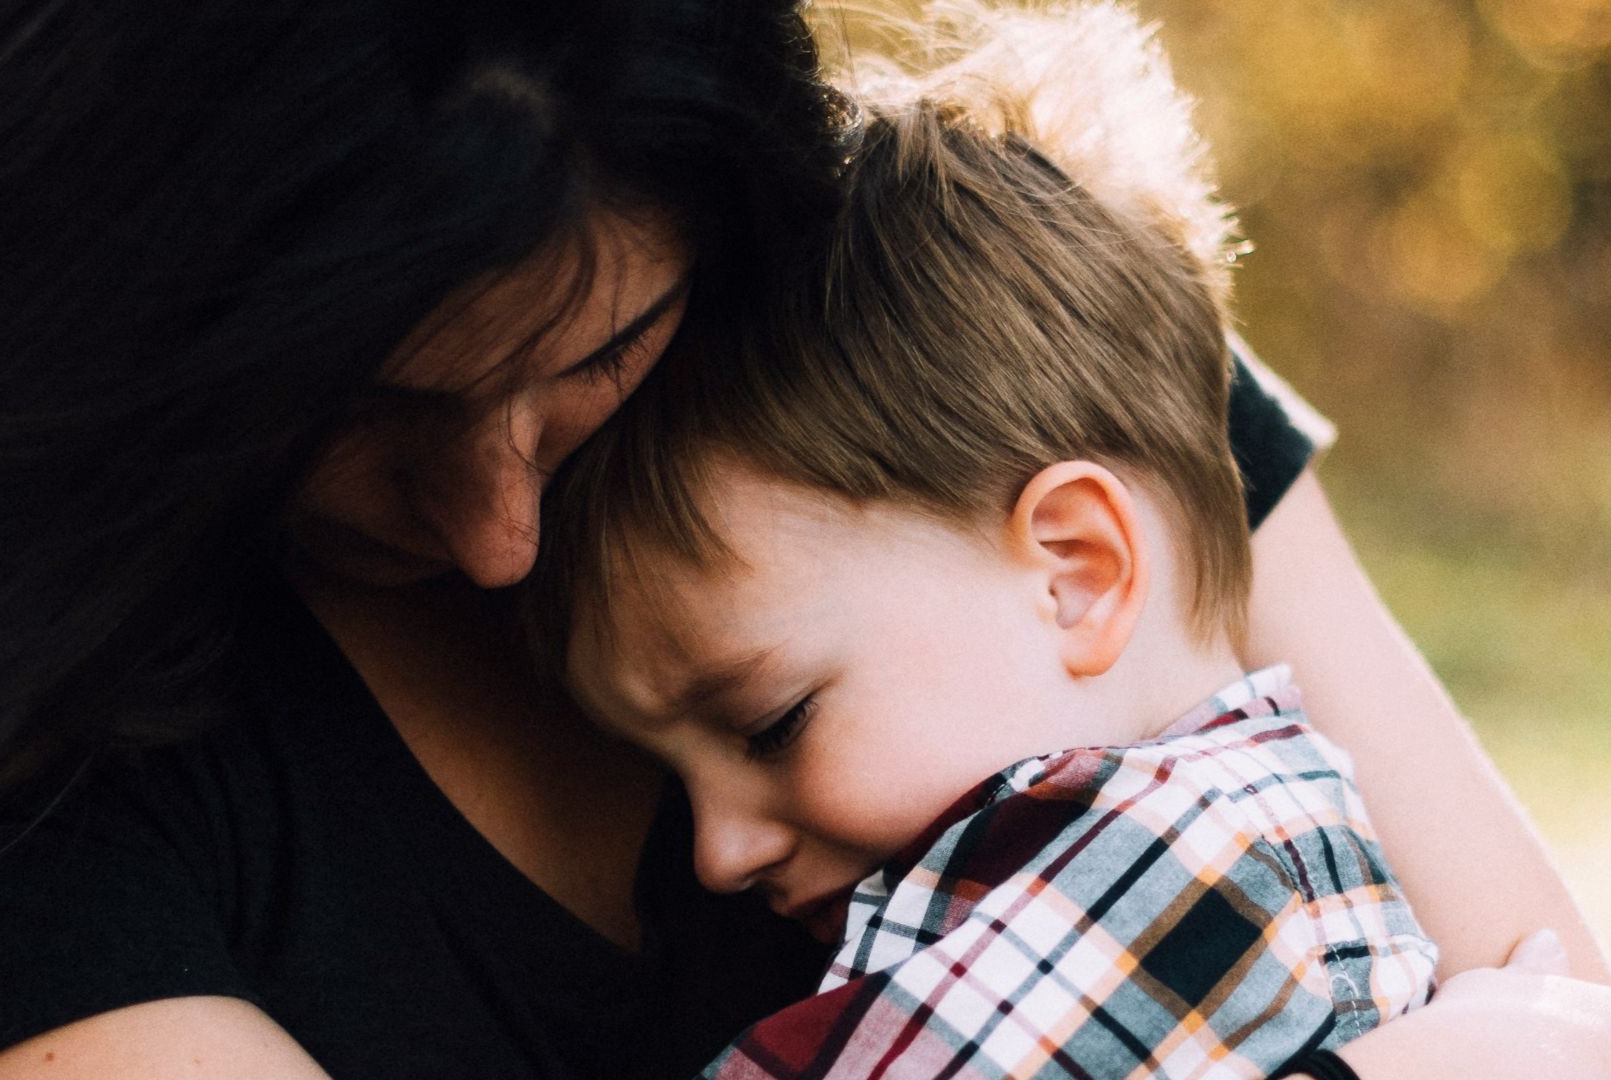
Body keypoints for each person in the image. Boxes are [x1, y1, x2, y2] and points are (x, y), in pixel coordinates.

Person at [0, 1, 1611, 1078]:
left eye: (596, 359)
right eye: (343, 418)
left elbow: (1548, 1010)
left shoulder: (966, 357)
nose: (500, 535)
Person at [528, 10, 1438, 1073]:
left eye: (773, 725)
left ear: (1076, 572)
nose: (716, 852)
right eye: (669, 776)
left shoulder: (1161, 878)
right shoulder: (1260, 827)